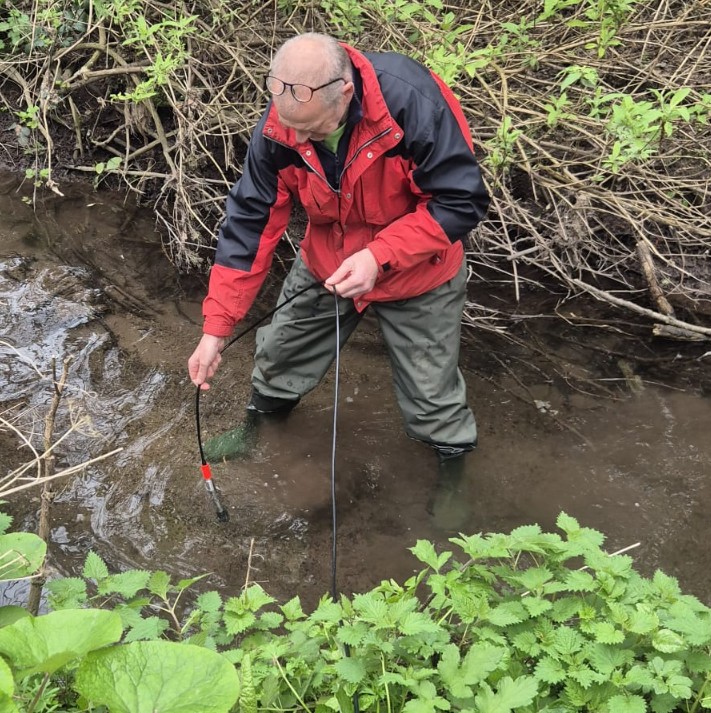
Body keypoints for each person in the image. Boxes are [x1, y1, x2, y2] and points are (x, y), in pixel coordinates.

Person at [187, 33, 490, 515]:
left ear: (345, 92)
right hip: (328, 260)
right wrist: (215, 329)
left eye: (309, 130)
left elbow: (462, 201)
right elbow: (250, 225)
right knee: (280, 352)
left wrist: (379, 256)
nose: (296, 139)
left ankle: (452, 475)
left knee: (432, 394)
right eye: (288, 126)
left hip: (419, 271)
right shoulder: (282, 125)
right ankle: (256, 430)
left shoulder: (414, 104)